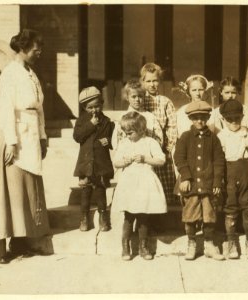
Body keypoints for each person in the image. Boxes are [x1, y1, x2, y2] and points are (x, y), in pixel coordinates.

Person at [0, 29, 50, 264]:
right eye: (36, 47)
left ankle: (20, 241)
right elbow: (6, 108)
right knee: (12, 192)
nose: (39, 51)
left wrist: (43, 137)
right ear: (23, 47)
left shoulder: (31, 73)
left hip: (31, 134)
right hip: (15, 136)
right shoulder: (10, 73)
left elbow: (38, 108)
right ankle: (0, 245)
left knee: (28, 189)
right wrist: (11, 141)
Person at [173, 101, 225, 261]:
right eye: (196, 118)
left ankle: (209, 244)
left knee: (209, 216)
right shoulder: (185, 137)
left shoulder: (213, 139)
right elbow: (179, 158)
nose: (200, 121)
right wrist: (186, 177)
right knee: (190, 216)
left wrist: (217, 182)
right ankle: (192, 244)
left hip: (208, 184)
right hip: (191, 184)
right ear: (190, 119)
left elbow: (219, 161)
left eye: (203, 118)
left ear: (208, 117)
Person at [112, 112, 167, 260]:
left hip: (145, 182)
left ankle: (143, 246)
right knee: (129, 216)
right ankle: (125, 246)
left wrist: (145, 159)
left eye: (130, 132)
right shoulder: (124, 143)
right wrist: (124, 161)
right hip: (129, 183)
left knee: (144, 215)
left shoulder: (150, 142)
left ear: (141, 130)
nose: (127, 135)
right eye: (125, 133)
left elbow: (161, 160)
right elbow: (116, 162)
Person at [217, 99, 248, 260]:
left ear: (242, 117)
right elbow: (218, 161)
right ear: (223, 119)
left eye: (237, 118)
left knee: (247, 207)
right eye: (230, 119)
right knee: (230, 208)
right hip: (228, 177)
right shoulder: (221, 136)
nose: (234, 122)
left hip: (246, 177)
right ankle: (231, 242)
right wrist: (219, 181)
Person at [73, 86, 115, 232]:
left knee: (100, 190)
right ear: (84, 107)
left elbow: (113, 139)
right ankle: (84, 218)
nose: (94, 110)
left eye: (97, 106)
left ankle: (103, 217)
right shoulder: (81, 121)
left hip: (101, 162)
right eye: (90, 107)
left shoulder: (107, 121)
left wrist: (108, 141)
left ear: (102, 104)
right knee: (86, 191)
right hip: (86, 163)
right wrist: (91, 124)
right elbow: (77, 137)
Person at [141, 63, 178, 205]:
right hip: (144, 148)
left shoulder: (165, 102)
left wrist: (167, 147)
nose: (152, 84)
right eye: (148, 81)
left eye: (155, 80)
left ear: (160, 81)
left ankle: (164, 211)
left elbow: (172, 126)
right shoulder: (140, 100)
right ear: (143, 82)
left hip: (162, 148)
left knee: (164, 182)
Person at [112, 79, 163, 148]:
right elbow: (116, 140)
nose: (137, 100)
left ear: (144, 96)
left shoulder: (150, 117)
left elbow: (159, 138)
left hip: (147, 153)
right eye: (133, 96)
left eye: (140, 96)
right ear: (127, 97)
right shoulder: (122, 118)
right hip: (128, 154)